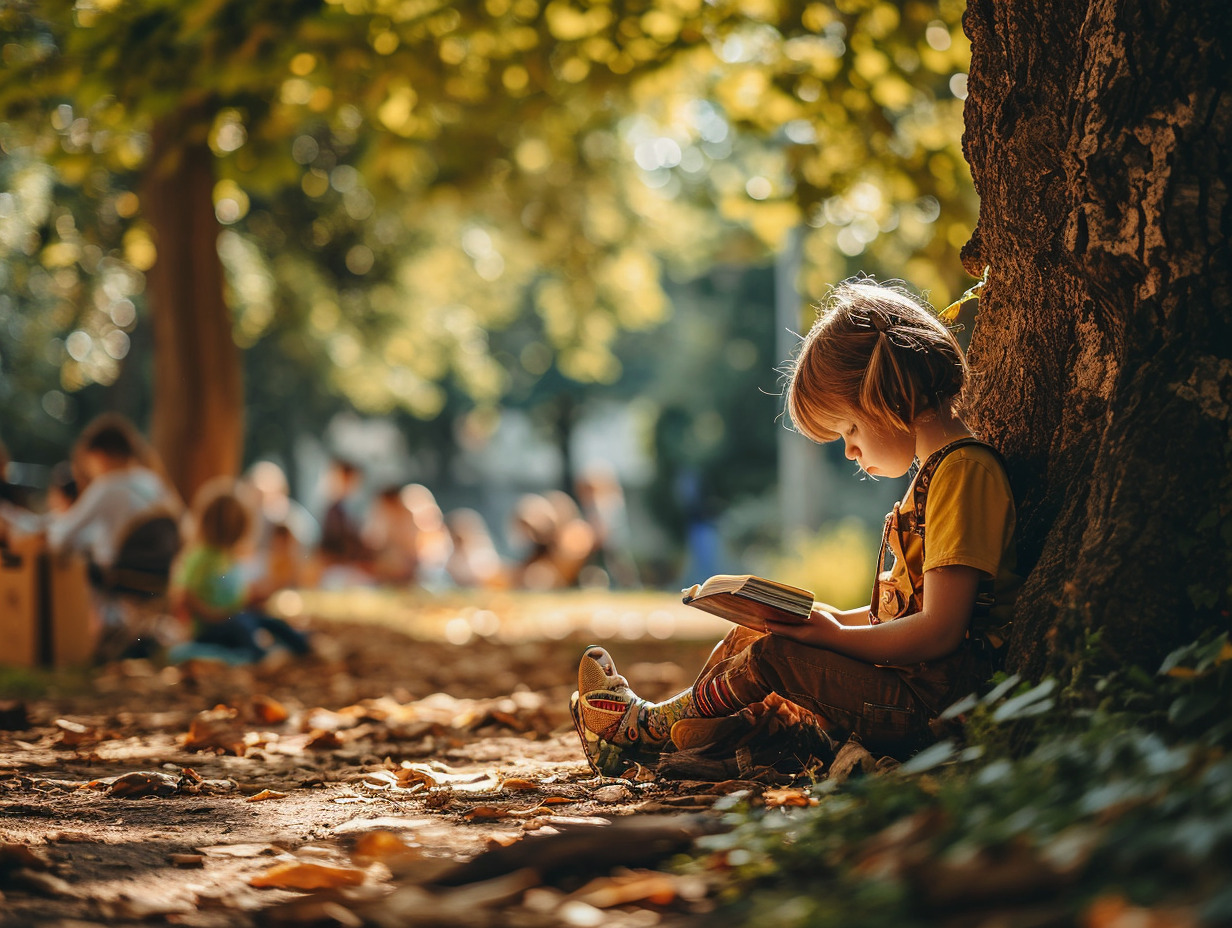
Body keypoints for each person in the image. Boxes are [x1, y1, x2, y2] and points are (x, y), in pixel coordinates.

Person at [571, 278, 1021, 775]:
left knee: (776, 656)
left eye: (848, 429)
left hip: (935, 706)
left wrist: (830, 635)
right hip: (913, 687)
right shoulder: (939, 477)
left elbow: (938, 632)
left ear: (888, 394)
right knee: (759, 635)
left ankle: (649, 732)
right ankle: (683, 742)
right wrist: (819, 620)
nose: (849, 450)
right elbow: (900, 615)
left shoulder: (964, 473)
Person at [169, 479, 310, 665]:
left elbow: (238, 596)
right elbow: (185, 598)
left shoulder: (231, 559)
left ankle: (303, 645)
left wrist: (259, 595)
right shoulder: (200, 557)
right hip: (210, 628)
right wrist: (214, 616)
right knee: (242, 626)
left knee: (269, 622)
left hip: (233, 619)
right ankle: (260, 656)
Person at [46, 414, 180, 573]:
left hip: (114, 580)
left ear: (99, 455)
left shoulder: (108, 486)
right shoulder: (150, 479)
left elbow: (61, 538)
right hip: (153, 574)